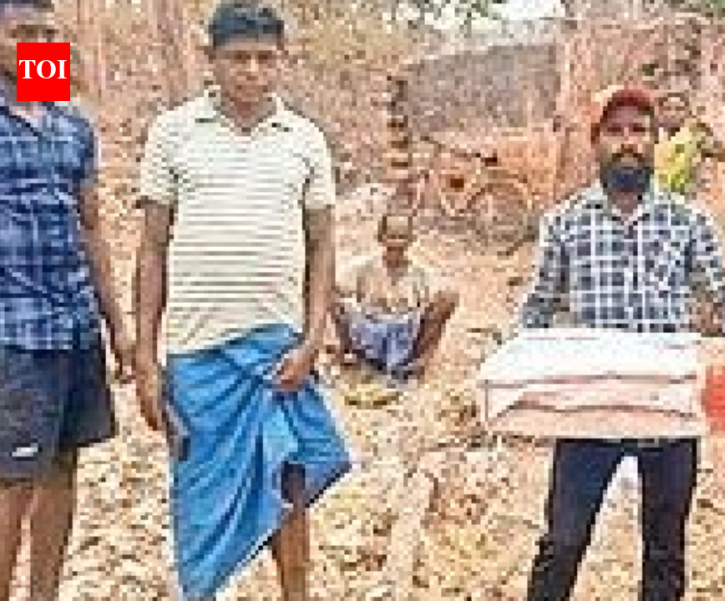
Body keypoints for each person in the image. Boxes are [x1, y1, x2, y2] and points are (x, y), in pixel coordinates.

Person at [134, 2, 351, 599]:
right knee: (200, 495)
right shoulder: (173, 133)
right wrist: (145, 362)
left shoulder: (304, 139)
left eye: (264, 59)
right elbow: (151, 250)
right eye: (237, 59)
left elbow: (323, 245)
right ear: (212, 59)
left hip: (278, 353)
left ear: (282, 61)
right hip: (198, 355)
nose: (251, 72)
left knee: (291, 483)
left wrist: (311, 342)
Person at [519, 84, 725, 601]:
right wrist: (519, 380)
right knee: (563, 542)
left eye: (639, 131)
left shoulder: (686, 220)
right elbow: (536, 310)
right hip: (592, 407)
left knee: (665, 550)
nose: (627, 143)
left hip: (668, 407)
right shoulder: (565, 222)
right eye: (615, 131)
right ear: (596, 141)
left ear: (656, 140)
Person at [0, 1, 134, 599]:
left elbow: (92, 228)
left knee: (62, 464)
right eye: (21, 34)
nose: (35, 45)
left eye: (47, 36)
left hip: (75, 325)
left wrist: (118, 325)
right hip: (13, 331)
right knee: (11, 479)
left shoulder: (69, 121)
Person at [333, 211, 458, 385]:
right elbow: (336, 287)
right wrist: (354, 311)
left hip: (406, 334)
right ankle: (353, 353)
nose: (397, 243)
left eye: (402, 237)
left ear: (411, 240)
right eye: (392, 237)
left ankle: (418, 363)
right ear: (380, 238)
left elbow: (438, 299)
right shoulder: (364, 267)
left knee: (449, 297)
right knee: (333, 299)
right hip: (369, 330)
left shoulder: (420, 273)